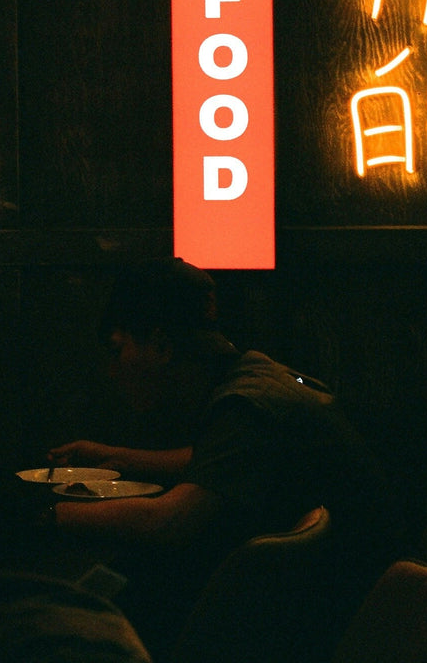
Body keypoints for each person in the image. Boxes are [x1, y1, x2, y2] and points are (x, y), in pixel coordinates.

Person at [41, 257, 404, 658]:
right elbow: (213, 463)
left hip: (339, 627)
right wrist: (111, 456)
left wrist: (48, 513)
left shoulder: (247, 405)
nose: (112, 371)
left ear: (161, 346)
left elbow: (170, 521)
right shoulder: (254, 376)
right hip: (357, 604)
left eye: (117, 349)